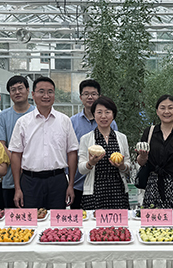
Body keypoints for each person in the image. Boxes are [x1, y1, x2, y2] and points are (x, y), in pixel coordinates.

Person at [9, 77, 79, 209]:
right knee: (31, 219)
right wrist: (17, 188)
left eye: (50, 92)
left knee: (57, 220)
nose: (46, 96)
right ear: (33, 94)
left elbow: (72, 153)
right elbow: (16, 155)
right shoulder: (23, 122)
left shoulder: (64, 121)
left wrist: (71, 185)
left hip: (58, 181)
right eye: (41, 91)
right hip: (30, 182)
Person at [137, 95, 173, 209]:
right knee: (154, 219)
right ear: (157, 111)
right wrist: (143, 156)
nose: (166, 112)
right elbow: (140, 162)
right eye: (162, 108)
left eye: (170, 108)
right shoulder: (149, 132)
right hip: (153, 189)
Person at [77, 97, 131, 210]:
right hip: (95, 192)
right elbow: (81, 169)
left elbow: (128, 166)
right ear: (94, 114)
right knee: (95, 221)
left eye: (107, 112)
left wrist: (122, 166)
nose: (103, 116)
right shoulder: (86, 139)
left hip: (118, 191)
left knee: (119, 221)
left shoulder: (121, 138)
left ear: (113, 115)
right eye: (99, 112)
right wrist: (90, 163)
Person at [70, 79, 117, 208]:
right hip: (79, 183)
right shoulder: (72, 122)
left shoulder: (110, 123)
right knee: (80, 218)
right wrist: (70, 182)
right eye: (86, 94)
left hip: (105, 185)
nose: (90, 97)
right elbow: (70, 152)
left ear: (99, 97)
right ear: (80, 97)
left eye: (93, 94)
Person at [0, 75, 35, 208]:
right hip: (10, 177)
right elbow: (1, 144)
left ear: (28, 90)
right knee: (11, 215)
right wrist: (18, 163)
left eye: (20, 88)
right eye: (13, 90)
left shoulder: (37, 113)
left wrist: (26, 163)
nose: (17, 92)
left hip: (34, 175)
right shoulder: (3, 116)